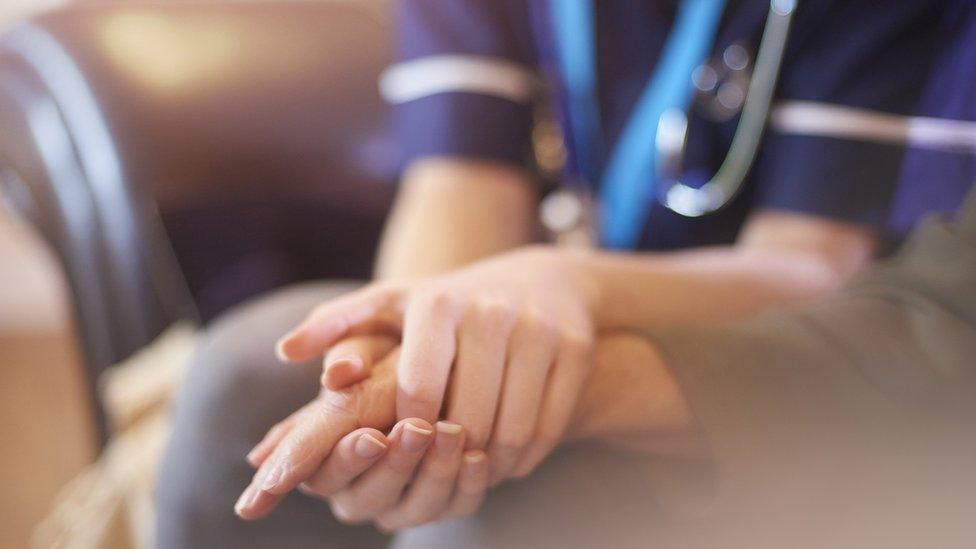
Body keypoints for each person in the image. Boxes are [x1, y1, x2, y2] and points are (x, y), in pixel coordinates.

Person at [155, 0, 974, 547]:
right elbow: (461, 176)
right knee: (242, 374)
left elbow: (817, 265)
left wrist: (567, 285)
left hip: (786, 340)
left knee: (488, 506)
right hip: (558, 284)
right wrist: (407, 360)